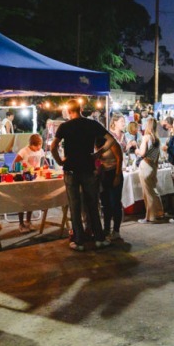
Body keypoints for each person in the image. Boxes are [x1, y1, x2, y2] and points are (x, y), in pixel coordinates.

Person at [51, 99, 116, 250]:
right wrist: (98, 153)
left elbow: (53, 146)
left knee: (75, 206)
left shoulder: (65, 126)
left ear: (68, 110)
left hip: (71, 170)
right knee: (93, 205)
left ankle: (79, 242)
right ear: (80, 108)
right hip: (88, 169)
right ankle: (99, 238)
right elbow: (111, 140)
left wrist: (60, 161)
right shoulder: (91, 124)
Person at [12, 134, 47, 233]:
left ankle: (28, 221)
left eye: (40, 145)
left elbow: (42, 162)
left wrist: (42, 167)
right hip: (24, 179)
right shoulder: (24, 151)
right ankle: (21, 223)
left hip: (35, 178)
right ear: (31, 144)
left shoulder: (41, 151)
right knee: (22, 201)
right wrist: (22, 168)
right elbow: (14, 164)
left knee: (31, 201)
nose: (38, 148)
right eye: (36, 146)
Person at [134, 117, 165, 224]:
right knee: (153, 191)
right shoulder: (157, 139)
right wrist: (155, 170)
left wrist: (137, 151)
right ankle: (159, 212)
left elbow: (142, 153)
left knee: (147, 193)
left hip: (145, 166)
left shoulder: (146, 137)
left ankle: (149, 216)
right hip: (152, 167)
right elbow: (157, 156)